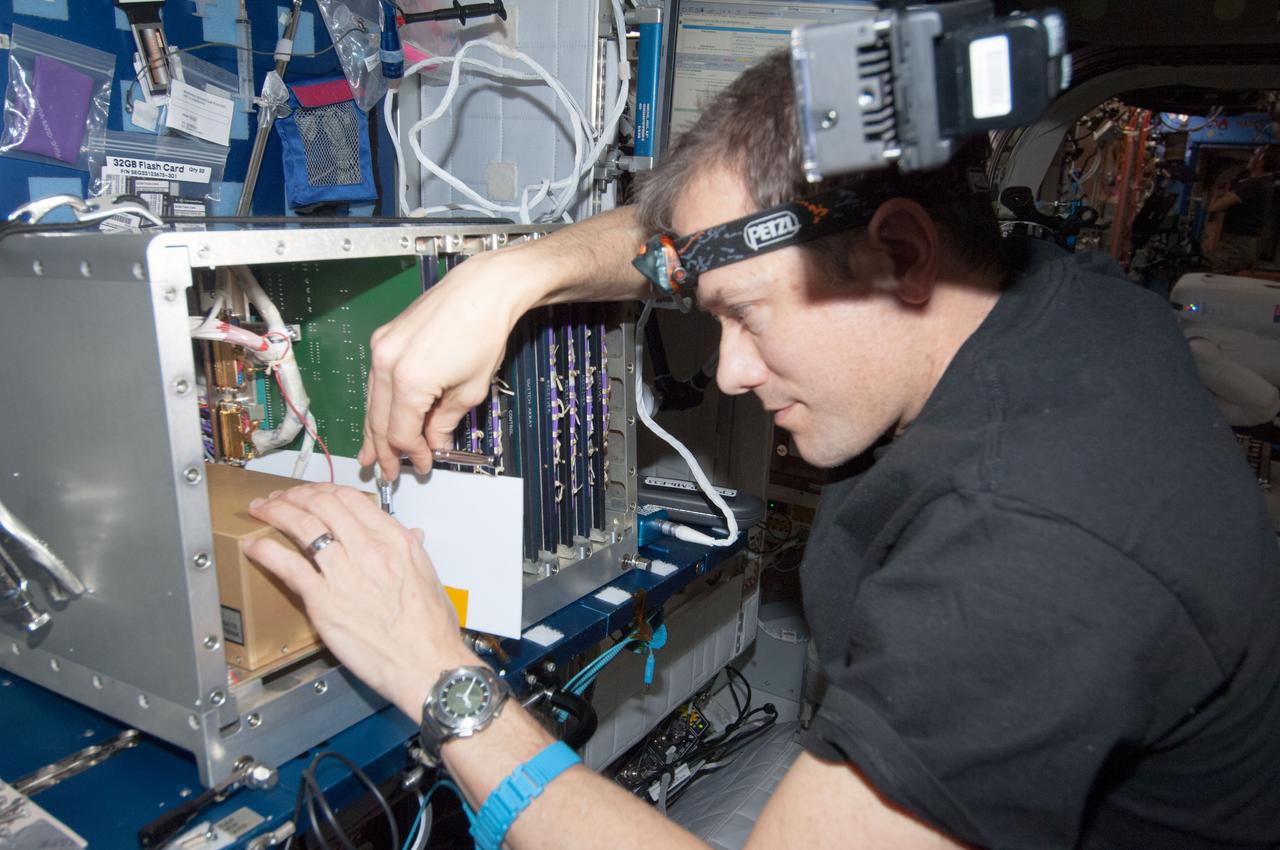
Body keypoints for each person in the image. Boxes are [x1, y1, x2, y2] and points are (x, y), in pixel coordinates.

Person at [246, 51, 1280, 849]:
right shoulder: (1053, 302)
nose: (731, 372)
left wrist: (438, 674)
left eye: (745, 316)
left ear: (900, 255)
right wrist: (507, 279)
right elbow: (701, 248)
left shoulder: (1029, 548)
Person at [1208, 145, 1278, 274]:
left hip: (1236, 244)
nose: (1250, 158)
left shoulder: (1252, 184)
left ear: (1260, 162)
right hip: (1248, 242)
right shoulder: (1267, 182)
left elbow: (1216, 207)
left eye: (1254, 155)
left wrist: (1216, 194)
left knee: (1214, 277)